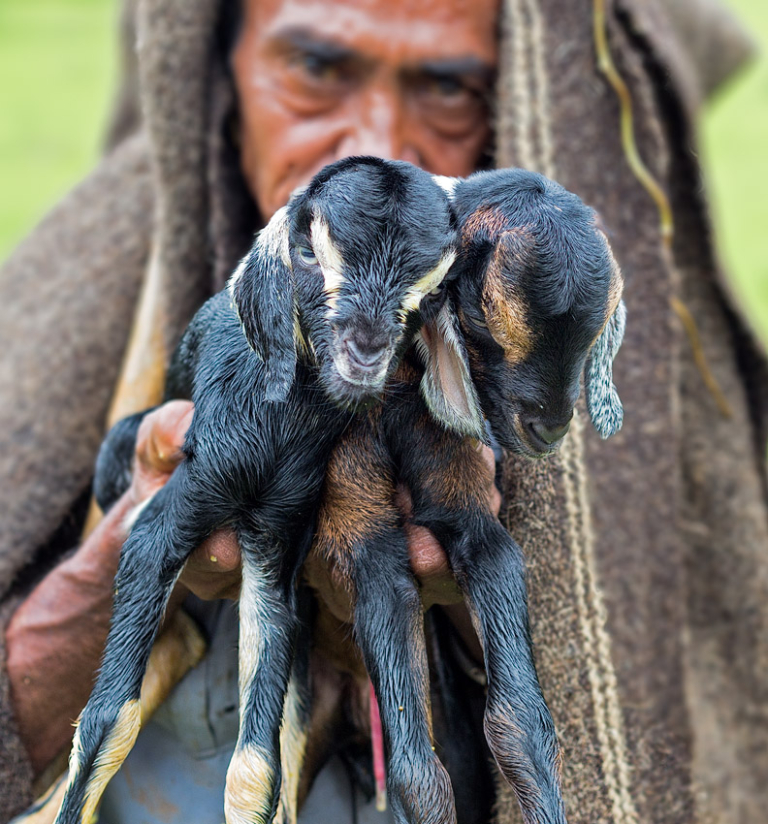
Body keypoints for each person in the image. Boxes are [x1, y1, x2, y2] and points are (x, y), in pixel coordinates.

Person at [1, 0, 766, 822]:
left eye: (446, 89)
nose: (377, 143)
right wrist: (115, 569)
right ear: (222, 86)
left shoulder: (581, 338)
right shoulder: (56, 315)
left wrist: (487, 617)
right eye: (317, 70)